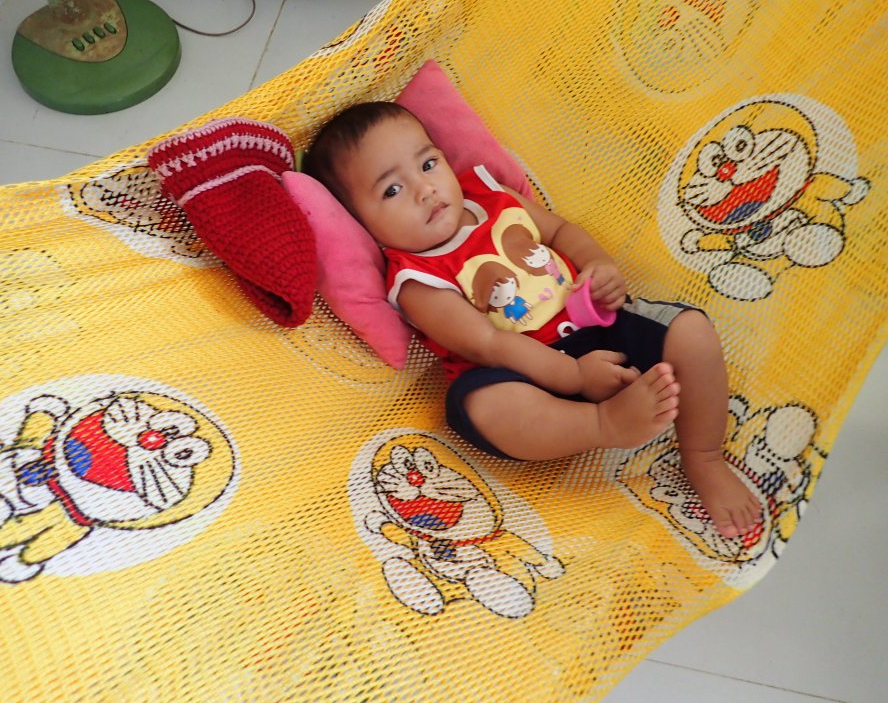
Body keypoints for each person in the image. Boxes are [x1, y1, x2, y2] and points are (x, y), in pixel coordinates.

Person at [305, 101, 762, 538]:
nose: (425, 189)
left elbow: (559, 231)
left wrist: (597, 265)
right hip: (521, 373)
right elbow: (488, 343)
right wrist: (575, 377)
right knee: (485, 407)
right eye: (392, 190)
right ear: (363, 224)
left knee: (691, 331)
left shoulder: (491, 195)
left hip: (596, 326)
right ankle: (604, 424)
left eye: (428, 164)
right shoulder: (415, 279)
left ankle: (703, 457)